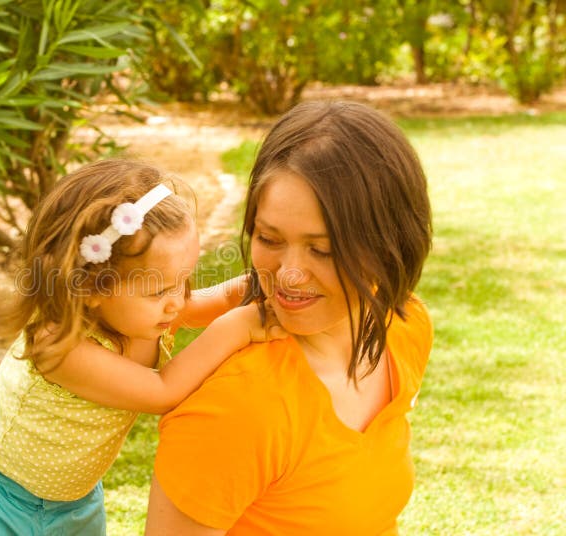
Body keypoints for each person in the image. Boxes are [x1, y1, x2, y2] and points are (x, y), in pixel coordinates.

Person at [0, 160, 283, 535]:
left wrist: (266, 282)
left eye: (184, 282)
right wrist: (239, 326)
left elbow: (218, 298)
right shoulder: (59, 346)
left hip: (73, 501)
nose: (178, 302)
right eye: (160, 290)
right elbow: (163, 391)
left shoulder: (147, 312)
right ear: (92, 287)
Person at [145, 101, 434, 535]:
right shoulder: (239, 407)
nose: (291, 275)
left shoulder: (404, 327)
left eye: (323, 250)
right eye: (269, 238)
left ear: (389, 243)